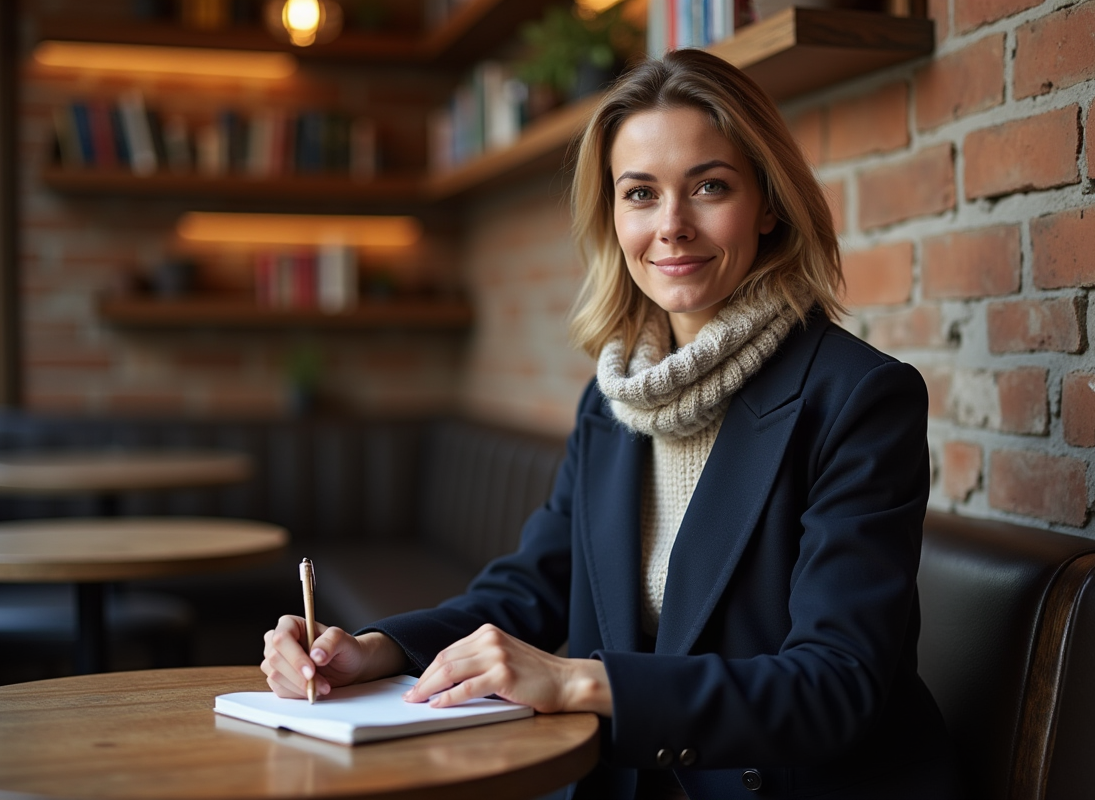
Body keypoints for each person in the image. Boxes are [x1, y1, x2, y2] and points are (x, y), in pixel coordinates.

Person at [261, 48, 963, 799]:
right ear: (613, 214)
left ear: (768, 204)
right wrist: (377, 649)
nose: (672, 226)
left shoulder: (858, 396)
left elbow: (834, 685)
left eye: (711, 187)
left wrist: (578, 682)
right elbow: (533, 586)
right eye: (640, 194)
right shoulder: (616, 396)